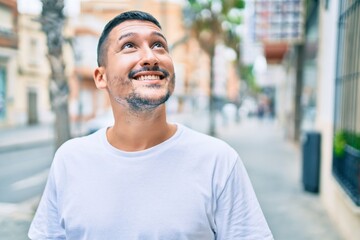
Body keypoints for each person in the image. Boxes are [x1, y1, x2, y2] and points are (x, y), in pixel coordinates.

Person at [28, 10, 273, 240]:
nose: (150, 57)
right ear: (101, 77)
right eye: (129, 46)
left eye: (159, 45)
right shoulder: (69, 160)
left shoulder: (218, 161)